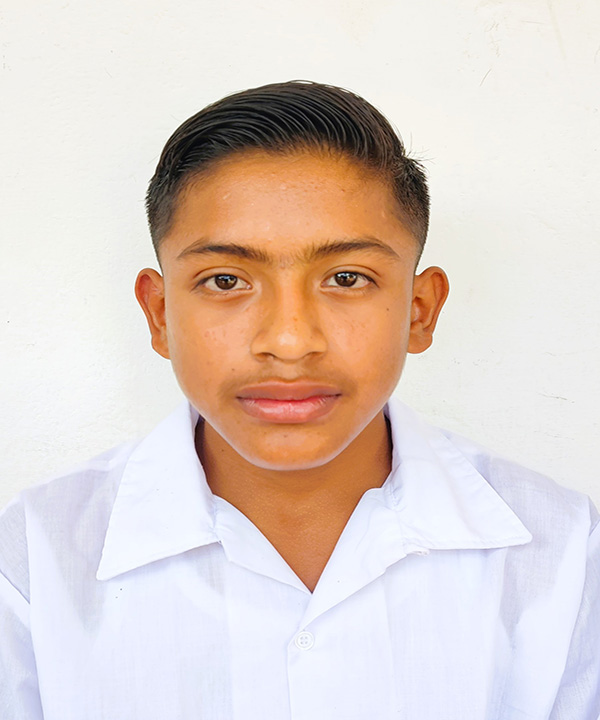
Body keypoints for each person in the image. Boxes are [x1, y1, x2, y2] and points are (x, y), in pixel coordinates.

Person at [0, 81, 598, 720]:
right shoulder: (33, 558)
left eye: (346, 278)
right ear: (160, 313)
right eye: (225, 280)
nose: (288, 342)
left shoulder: (562, 554)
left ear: (419, 311)